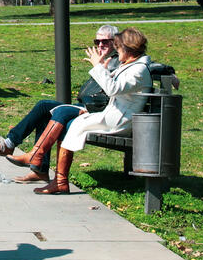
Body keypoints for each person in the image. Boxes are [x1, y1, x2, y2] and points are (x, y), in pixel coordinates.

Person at [8, 28, 152, 195]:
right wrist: (102, 68)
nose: (117, 50)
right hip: (112, 115)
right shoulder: (132, 65)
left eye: (118, 48)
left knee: (67, 120)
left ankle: (46, 166)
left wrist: (98, 66)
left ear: (128, 49)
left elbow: (113, 89)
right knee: (67, 120)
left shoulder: (139, 69)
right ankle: (53, 174)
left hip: (118, 121)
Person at [0, 25, 120, 182]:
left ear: (115, 42)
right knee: (45, 110)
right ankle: (37, 169)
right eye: (97, 42)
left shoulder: (115, 61)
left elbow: (111, 91)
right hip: (87, 105)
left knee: (44, 106)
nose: (100, 45)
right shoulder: (104, 60)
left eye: (105, 42)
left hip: (95, 110)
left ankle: (11, 146)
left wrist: (99, 67)